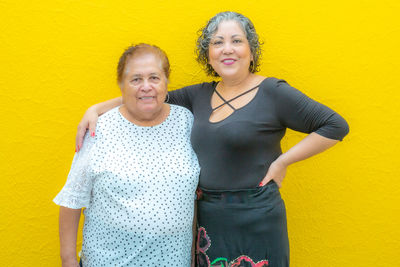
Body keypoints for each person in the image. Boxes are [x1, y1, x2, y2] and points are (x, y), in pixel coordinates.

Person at [75, 12, 349, 267]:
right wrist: (96, 109)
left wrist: (282, 162)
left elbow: (334, 125)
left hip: (257, 216)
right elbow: (148, 97)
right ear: (208, 55)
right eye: (217, 42)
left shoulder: (274, 92)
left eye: (236, 41)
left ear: (251, 51)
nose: (227, 48)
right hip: (209, 219)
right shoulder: (198, 96)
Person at [54, 44, 200, 267]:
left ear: (166, 81)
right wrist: (68, 260)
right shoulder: (98, 129)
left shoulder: (187, 122)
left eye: (154, 77)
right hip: (108, 261)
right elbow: (72, 199)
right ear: (121, 85)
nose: (146, 86)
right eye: (135, 79)